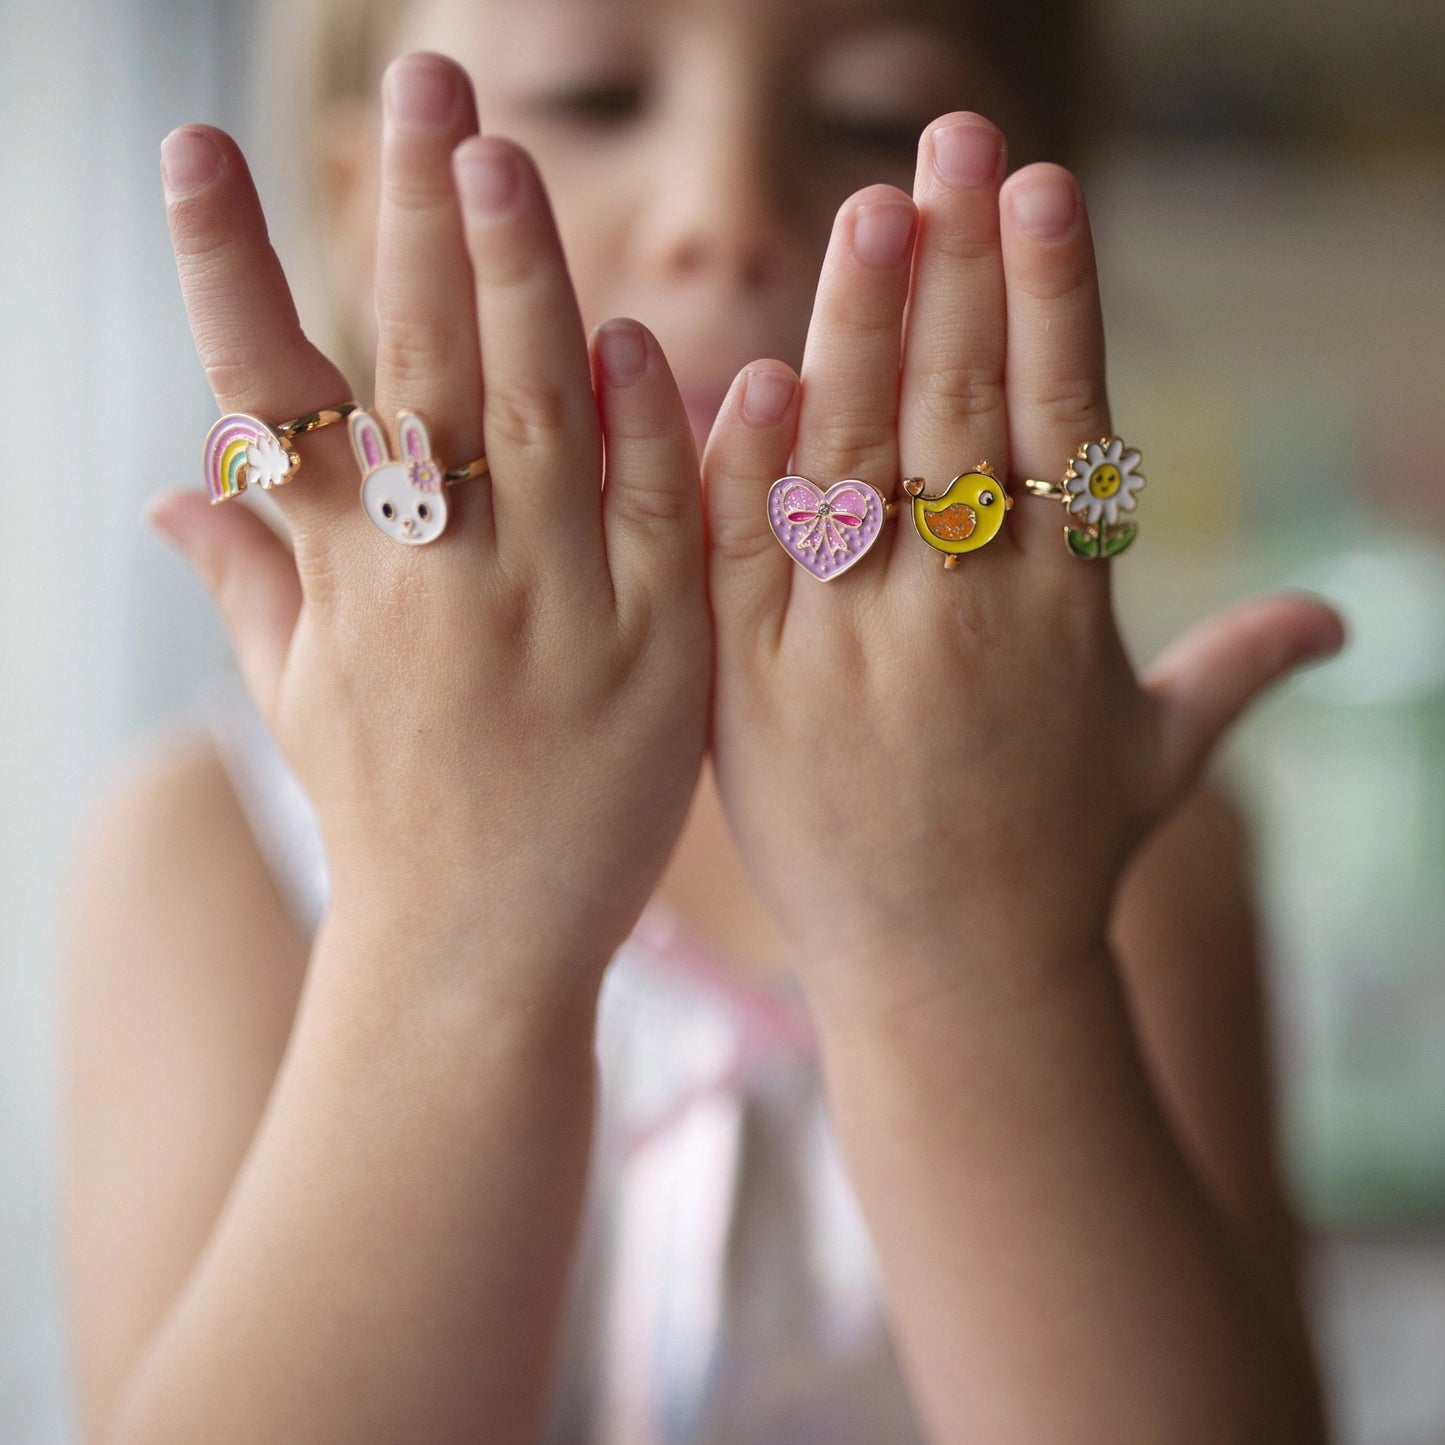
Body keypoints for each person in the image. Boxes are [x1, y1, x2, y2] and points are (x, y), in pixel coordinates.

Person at [62, 0, 1343, 1439]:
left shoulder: (1133, 853)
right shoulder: (209, 844)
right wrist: (448, 935)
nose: (722, 210)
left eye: (869, 119)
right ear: (361, 208)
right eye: (595, 97)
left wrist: (973, 959)